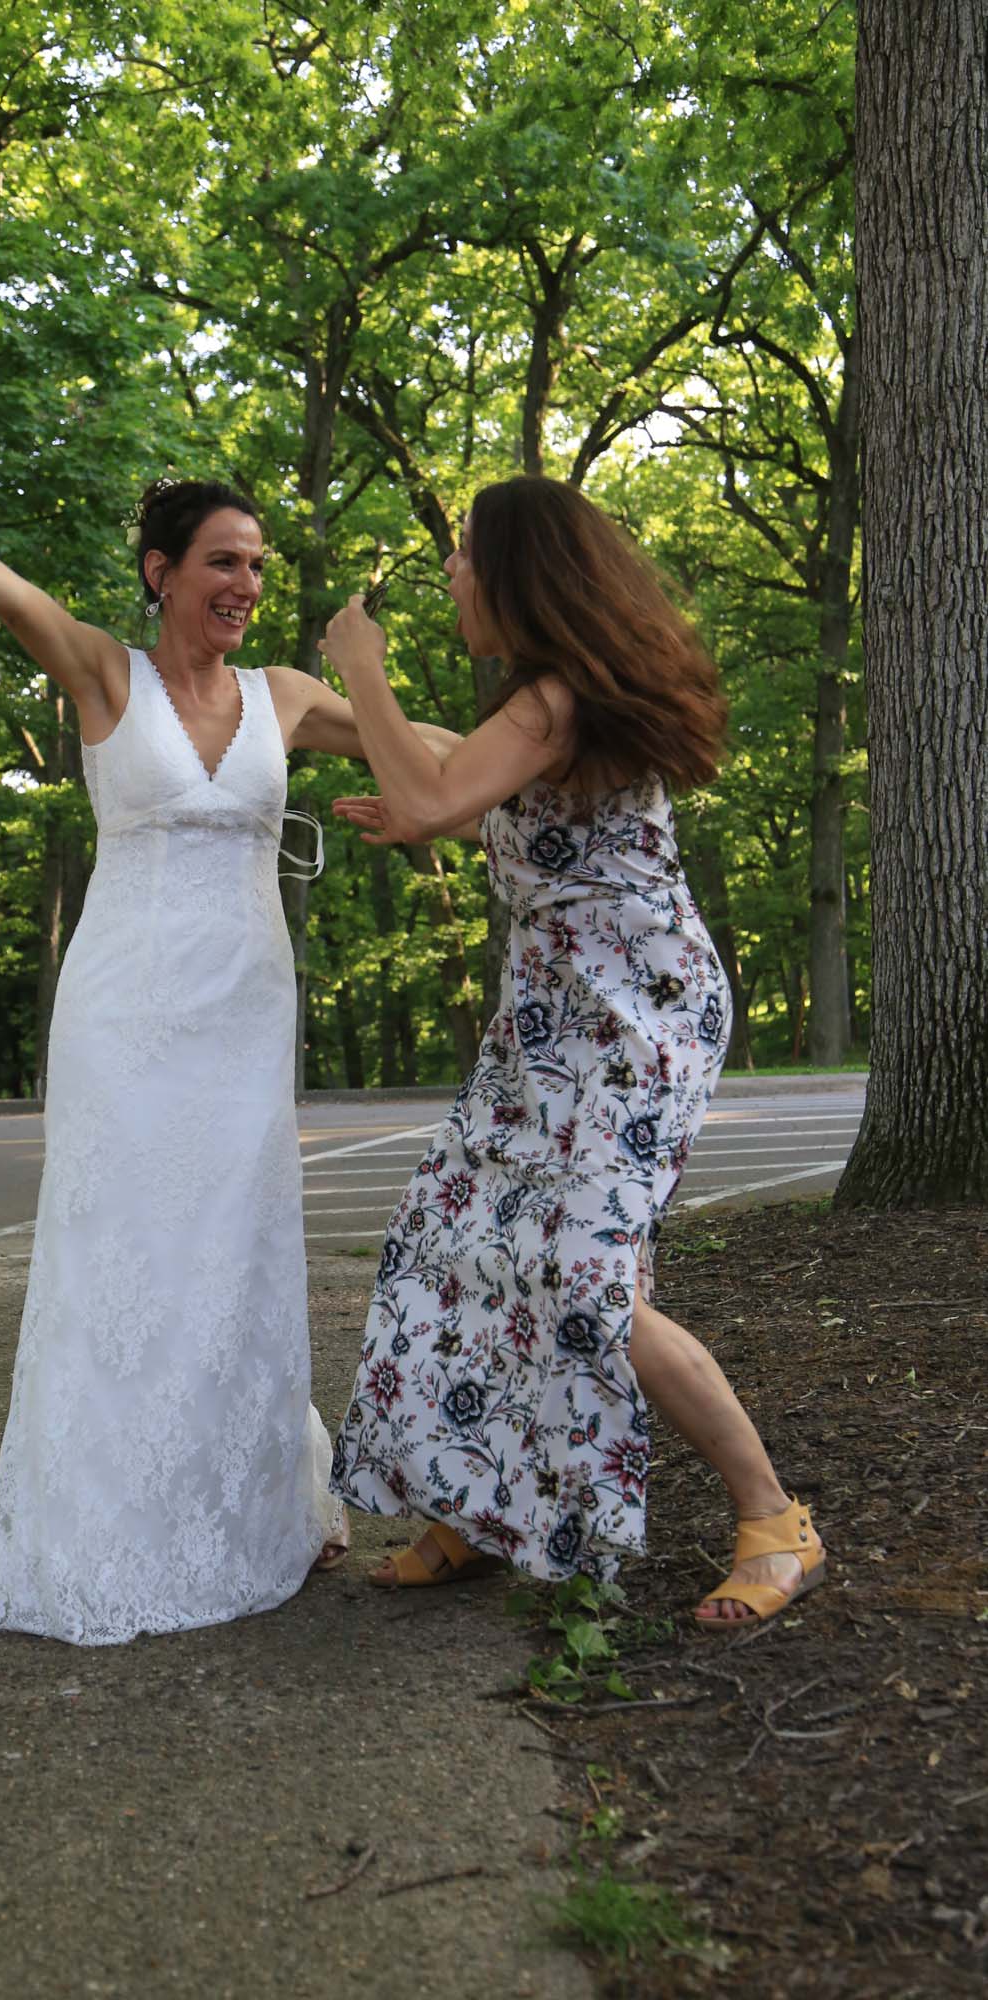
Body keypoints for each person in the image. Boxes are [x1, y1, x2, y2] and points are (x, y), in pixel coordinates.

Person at [0, 475, 454, 1646]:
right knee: (124, 1252)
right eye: (223, 561)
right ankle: (109, 1521)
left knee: (232, 1251)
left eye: (256, 564)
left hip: (244, 1017)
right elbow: (5, 594)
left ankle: (246, 1508)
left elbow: (428, 751)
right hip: (124, 1016)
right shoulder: (105, 674)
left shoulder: (284, 695)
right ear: (160, 571)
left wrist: (536, 743)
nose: (245, 583)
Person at [319, 475, 825, 1629]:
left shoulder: (555, 699)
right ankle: (482, 1506)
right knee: (454, 1241)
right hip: (549, 1028)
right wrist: (423, 795)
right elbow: (469, 796)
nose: (452, 573)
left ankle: (775, 1518)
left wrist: (360, 666)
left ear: (517, 573)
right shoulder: (543, 704)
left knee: (586, 1278)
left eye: (463, 554)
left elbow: (433, 793)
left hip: (635, 1022)